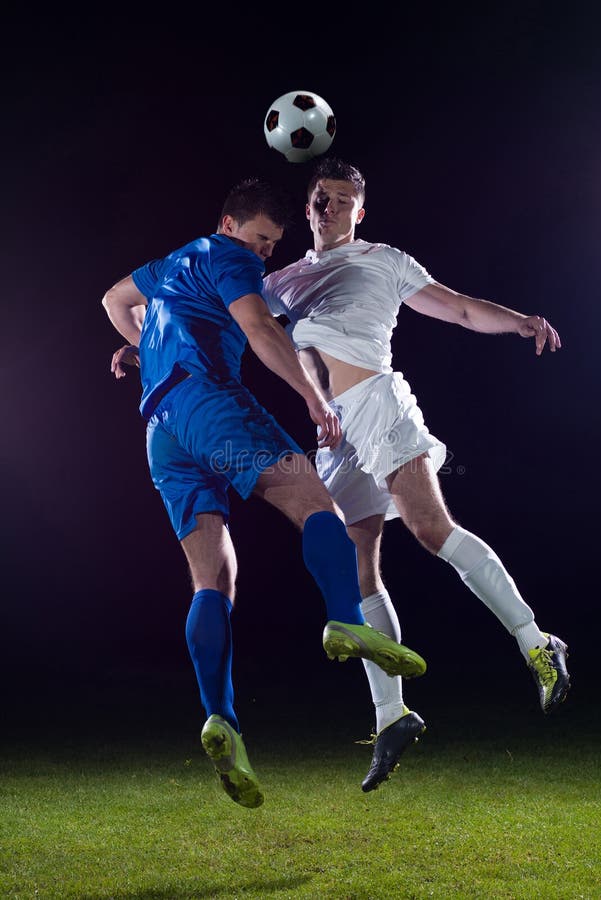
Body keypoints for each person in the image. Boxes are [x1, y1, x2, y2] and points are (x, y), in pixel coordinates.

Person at [101, 177, 427, 810]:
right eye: (258, 240)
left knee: (212, 578)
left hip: (160, 430)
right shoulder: (229, 258)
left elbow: (115, 299)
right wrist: (313, 397)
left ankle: (221, 721)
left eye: (273, 246)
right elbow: (260, 329)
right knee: (316, 503)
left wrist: (140, 345)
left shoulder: (176, 261)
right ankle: (343, 620)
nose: (263, 255)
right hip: (209, 405)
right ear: (229, 225)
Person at [261, 157, 571, 793]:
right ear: (309, 202)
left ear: (359, 211)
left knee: (432, 529)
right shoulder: (283, 281)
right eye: (321, 197)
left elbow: (456, 310)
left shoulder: (384, 259)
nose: (329, 207)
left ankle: (537, 641)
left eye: (343, 200)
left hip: (380, 405)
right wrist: (142, 343)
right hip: (334, 432)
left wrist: (517, 320)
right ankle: (392, 715)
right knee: (356, 571)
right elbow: (233, 325)